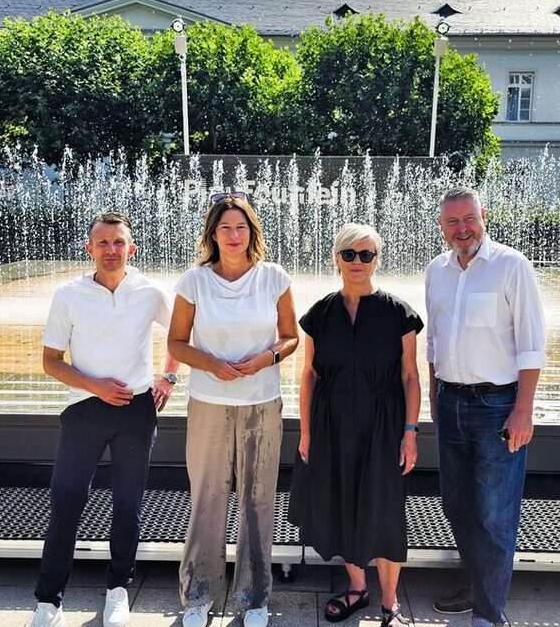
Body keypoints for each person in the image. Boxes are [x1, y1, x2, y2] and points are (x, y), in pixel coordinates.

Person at [31, 211, 179, 627]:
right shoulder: (68, 294)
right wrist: (96, 387)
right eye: (103, 243)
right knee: (66, 500)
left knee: (127, 503)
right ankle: (48, 599)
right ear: (89, 249)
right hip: (85, 409)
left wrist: (168, 376)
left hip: (136, 410)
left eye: (119, 243)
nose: (111, 250)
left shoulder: (149, 290)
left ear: (132, 248)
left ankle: (117, 590)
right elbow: (51, 362)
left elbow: (181, 335)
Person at [168, 192, 299, 627]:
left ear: (251, 232)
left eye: (241, 227)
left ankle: (253, 597)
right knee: (207, 498)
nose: (233, 234)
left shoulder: (273, 277)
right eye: (225, 227)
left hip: (262, 401)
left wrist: (267, 359)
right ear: (213, 233)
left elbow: (290, 337)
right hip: (209, 401)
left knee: (257, 500)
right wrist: (211, 364)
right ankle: (198, 595)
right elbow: (175, 343)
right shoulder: (194, 281)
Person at [289, 223, 423, 627]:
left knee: (384, 509)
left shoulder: (399, 314)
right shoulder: (320, 314)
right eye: (349, 254)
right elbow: (309, 373)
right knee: (342, 502)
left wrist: (410, 432)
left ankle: (390, 602)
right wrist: (307, 432)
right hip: (331, 424)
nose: (357, 262)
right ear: (336, 259)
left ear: (377, 260)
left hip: (383, 426)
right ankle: (357, 588)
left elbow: (410, 377)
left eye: (366, 255)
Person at [425, 187, 547, 627]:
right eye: (452, 222)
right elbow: (434, 342)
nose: (462, 229)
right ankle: (477, 587)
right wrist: (434, 393)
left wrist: (523, 409)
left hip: (498, 405)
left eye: (468, 219)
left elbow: (532, 346)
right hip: (450, 401)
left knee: (495, 512)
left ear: (483, 216)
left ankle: (490, 615)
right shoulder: (436, 271)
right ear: (441, 227)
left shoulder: (511, 267)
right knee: (458, 504)